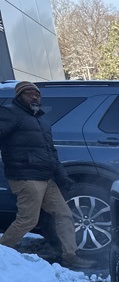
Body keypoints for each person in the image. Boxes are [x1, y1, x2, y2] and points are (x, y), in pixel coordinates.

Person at [0, 81, 93, 269]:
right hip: (25, 175)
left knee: (64, 214)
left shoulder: (40, 120)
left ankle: (70, 256)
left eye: (37, 94)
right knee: (28, 220)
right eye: (29, 93)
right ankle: (3, 251)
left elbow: (51, 152)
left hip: (46, 176)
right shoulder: (10, 113)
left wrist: (62, 177)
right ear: (19, 96)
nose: (35, 97)